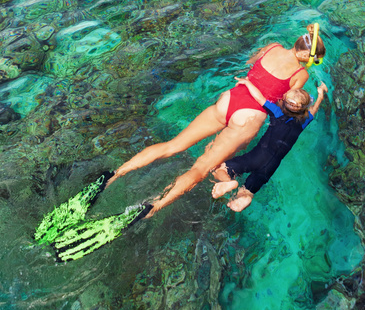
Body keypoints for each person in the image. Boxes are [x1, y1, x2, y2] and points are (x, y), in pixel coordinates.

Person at [105, 24, 326, 217]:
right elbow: (284, 106)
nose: (312, 64)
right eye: (314, 60)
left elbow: (250, 64)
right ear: (306, 56)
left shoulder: (272, 47)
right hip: (248, 117)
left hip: (230, 99)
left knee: (173, 146)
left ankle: (115, 174)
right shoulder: (301, 74)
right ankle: (155, 206)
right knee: (201, 169)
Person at [212, 78, 328, 211]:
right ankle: (245, 197)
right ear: (305, 108)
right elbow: (315, 108)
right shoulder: (305, 121)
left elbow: (259, 97)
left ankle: (228, 182)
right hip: (272, 165)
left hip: (257, 156)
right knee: (248, 191)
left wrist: (247, 83)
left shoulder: (277, 113)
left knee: (220, 169)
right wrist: (321, 94)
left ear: (284, 102)